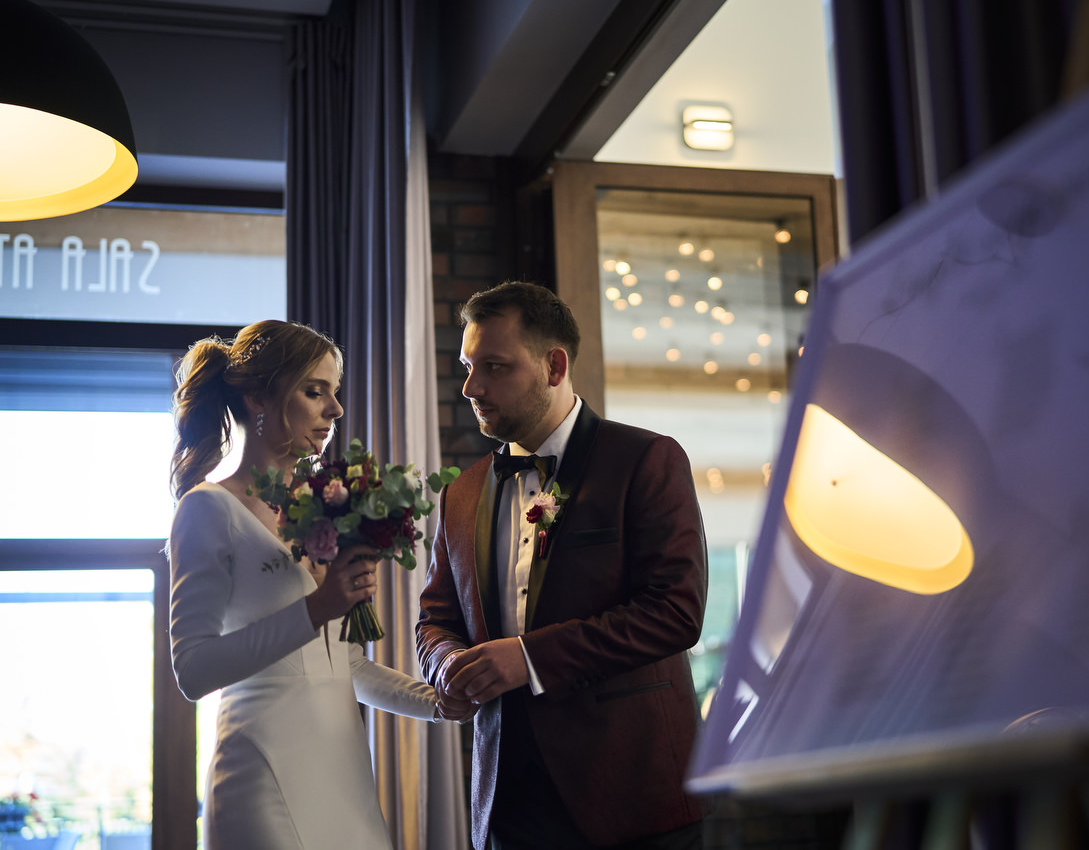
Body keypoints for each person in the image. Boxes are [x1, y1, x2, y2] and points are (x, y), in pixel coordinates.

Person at [417, 282, 708, 849]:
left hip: (630, 793)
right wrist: (447, 664)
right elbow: (435, 619)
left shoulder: (646, 460)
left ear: (554, 366)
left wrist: (529, 658)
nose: (471, 388)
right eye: (469, 367)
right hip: (507, 799)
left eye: (494, 367)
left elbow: (675, 612)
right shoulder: (461, 493)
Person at [168, 319, 439, 850]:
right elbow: (193, 670)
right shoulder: (207, 508)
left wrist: (439, 702)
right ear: (257, 397)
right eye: (315, 391)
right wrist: (319, 608)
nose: (335, 409)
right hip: (261, 767)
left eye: (334, 392)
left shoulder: (328, 507)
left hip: (343, 771)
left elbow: (343, 667)